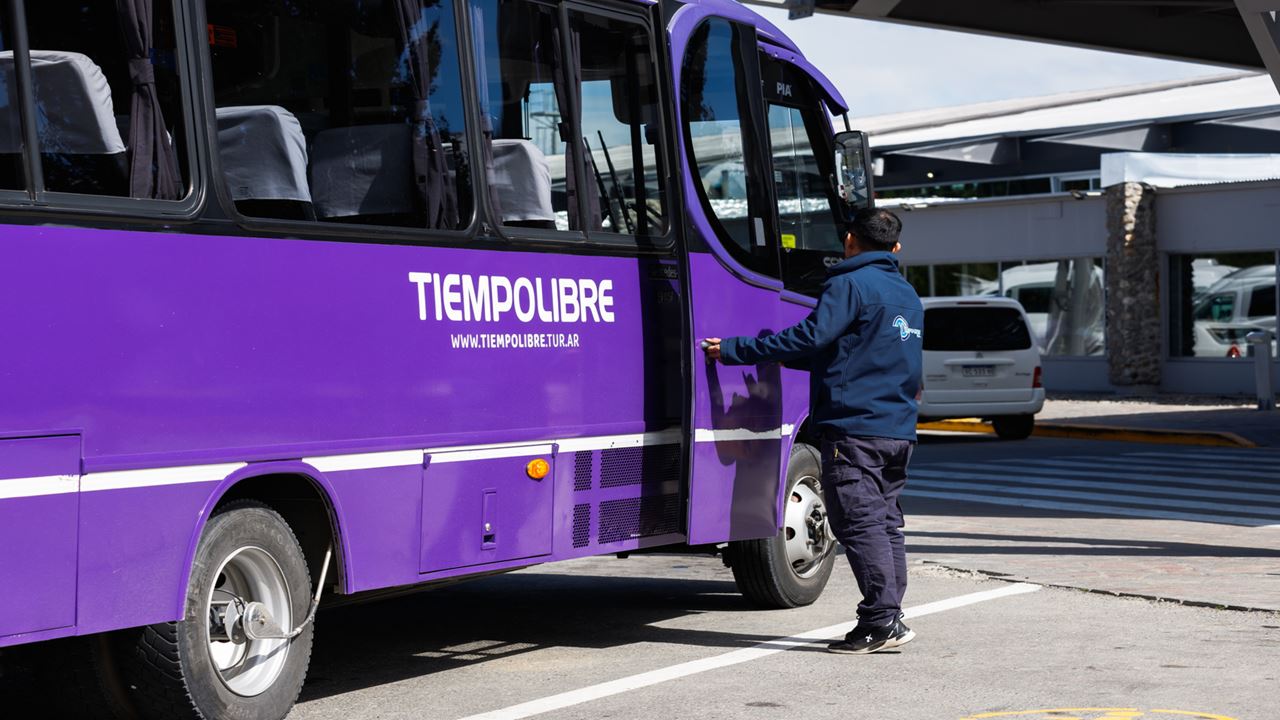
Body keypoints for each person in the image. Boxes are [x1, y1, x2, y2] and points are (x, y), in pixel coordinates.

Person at [702, 207, 923, 655]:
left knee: (858, 524)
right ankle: (890, 615)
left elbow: (811, 337)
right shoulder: (906, 294)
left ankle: (881, 619)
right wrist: (783, 357)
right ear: (896, 247)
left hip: (855, 429)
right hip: (897, 431)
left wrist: (738, 350)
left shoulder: (849, 283)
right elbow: (853, 352)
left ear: (850, 240)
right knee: (885, 525)